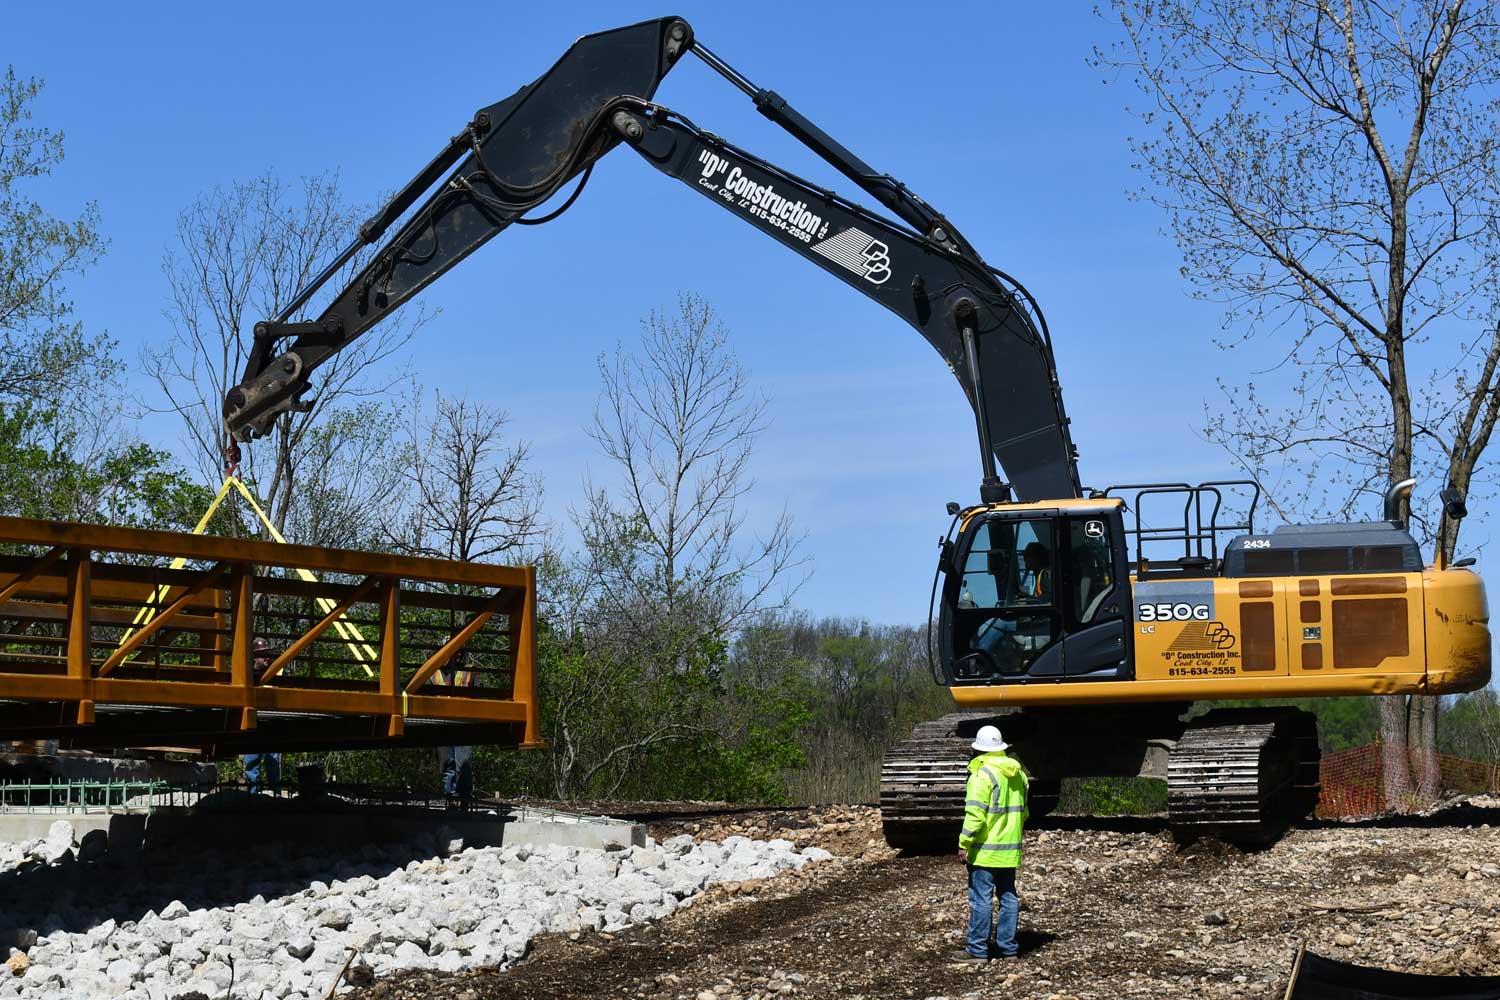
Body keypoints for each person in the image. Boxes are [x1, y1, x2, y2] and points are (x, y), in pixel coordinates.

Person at [955, 724, 1029, 963]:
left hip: (986, 851)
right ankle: (1008, 949)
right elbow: (1023, 812)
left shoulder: (982, 775)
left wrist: (964, 843)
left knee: (981, 899)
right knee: (1008, 896)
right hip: (1010, 850)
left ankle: (977, 950)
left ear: (979, 750)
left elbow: (975, 815)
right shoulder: (1019, 775)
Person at [242, 637, 283, 794]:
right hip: (253, 721)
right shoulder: (246, 675)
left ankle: (276, 795)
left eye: (267, 654)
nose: (267, 657)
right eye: (262, 654)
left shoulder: (274, 673)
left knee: (273, 763)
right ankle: (254, 796)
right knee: (252, 762)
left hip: (271, 722)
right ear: (254, 657)